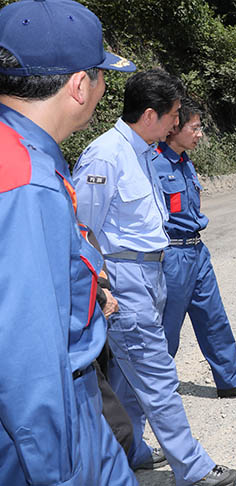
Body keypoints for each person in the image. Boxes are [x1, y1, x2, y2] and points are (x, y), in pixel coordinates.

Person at [73, 69, 236, 486]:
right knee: (158, 374)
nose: (176, 124)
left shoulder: (145, 151)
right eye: (174, 115)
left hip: (153, 270)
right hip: (125, 275)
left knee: (131, 379)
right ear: (151, 115)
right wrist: (101, 286)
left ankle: (131, 451)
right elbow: (79, 229)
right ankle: (193, 468)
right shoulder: (106, 155)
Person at [0, 0, 138, 484]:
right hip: (52, 416)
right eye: (102, 75)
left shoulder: (18, 151)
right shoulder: (28, 182)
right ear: (80, 85)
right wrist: (58, 472)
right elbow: (28, 360)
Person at [155, 97, 236, 400]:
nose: (199, 134)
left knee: (214, 317)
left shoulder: (186, 163)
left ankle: (229, 381)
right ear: (174, 128)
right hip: (172, 255)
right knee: (167, 327)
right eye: (195, 127)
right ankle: (156, 389)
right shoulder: (153, 164)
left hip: (197, 252)